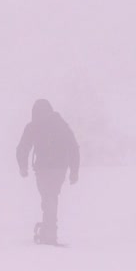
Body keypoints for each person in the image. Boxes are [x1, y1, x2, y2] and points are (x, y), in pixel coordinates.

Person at [16, 99, 80, 244]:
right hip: (59, 169)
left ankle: (49, 231)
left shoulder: (34, 125)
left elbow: (22, 147)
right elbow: (73, 147)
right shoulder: (61, 125)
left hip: (44, 169)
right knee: (51, 197)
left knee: (48, 198)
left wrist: (23, 166)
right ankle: (48, 229)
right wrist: (74, 171)